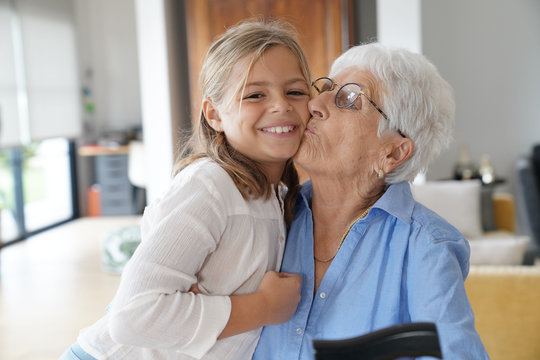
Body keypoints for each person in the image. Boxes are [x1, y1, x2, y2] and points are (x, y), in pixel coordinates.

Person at [60, 20, 311, 360]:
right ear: (214, 115)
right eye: (255, 94)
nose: (282, 105)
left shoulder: (276, 197)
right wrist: (263, 307)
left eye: (295, 91)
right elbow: (132, 316)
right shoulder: (210, 185)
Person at [253, 43, 489, 359]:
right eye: (325, 88)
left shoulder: (427, 248)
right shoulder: (266, 213)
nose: (315, 104)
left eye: (349, 99)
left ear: (393, 152)